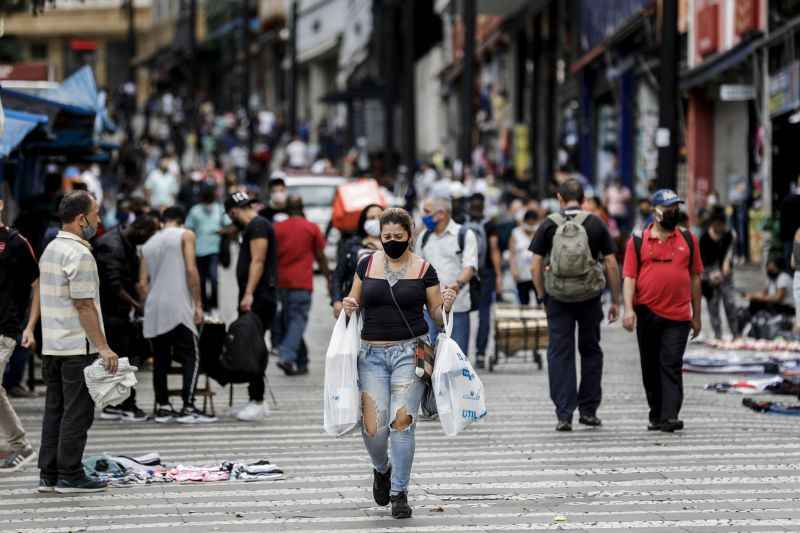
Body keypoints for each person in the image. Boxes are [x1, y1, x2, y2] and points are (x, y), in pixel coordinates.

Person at [342, 208, 456, 520]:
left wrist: (445, 304)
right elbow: (353, 301)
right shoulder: (366, 265)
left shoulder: (424, 269)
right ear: (380, 236)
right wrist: (348, 305)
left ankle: (399, 492)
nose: (391, 241)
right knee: (373, 428)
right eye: (386, 236)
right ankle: (382, 469)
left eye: (398, 236)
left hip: (412, 352)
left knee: (402, 423)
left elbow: (435, 313)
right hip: (371, 355)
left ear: (409, 236)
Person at [38, 191, 118, 493]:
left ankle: (49, 473)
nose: (99, 219)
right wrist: (104, 347)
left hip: (52, 347)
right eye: (95, 213)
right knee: (77, 412)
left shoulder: (51, 249)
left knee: (54, 410)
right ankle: (70, 474)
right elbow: (84, 305)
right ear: (81, 218)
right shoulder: (80, 254)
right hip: (76, 348)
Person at [531, 179, 621, 432]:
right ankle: (589, 410)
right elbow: (612, 264)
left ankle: (564, 413)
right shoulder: (596, 223)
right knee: (591, 350)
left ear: (560, 197)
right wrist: (616, 299)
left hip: (558, 298)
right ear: (583, 199)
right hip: (590, 296)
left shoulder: (548, 224)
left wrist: (541, 296)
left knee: (560, 352)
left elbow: (535, 264)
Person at [622, 189, 703, 433]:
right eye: (668, 209)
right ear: (655, 212)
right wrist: (628, 309)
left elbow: (696, 278)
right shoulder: (637, 240)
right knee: (650, 366)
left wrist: (696, 315)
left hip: (678, 316)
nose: (673, 213)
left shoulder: (688, 239)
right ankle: (656, 413)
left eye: (676, 208)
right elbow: (629, 277)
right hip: (647, 311)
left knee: (670, 363)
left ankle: (670, 415)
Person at [139, 207, 215, 424]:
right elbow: (191, 269)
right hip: (178, 304)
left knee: (161, 358)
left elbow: (142, 284)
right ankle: (188, 406)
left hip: (155, 307)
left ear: (163, 221)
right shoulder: (186, 234)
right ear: (181, 221)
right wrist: (198, 304)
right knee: (192, 354)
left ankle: (163, 406)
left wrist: (149, 304)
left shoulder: (149, 243)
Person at [93, 214, 160, 422]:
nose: (148, 242)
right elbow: (114, 286)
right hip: (111, 313)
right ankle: (126, 405)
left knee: (123, 359)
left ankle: (117, 405)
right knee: (123, 359)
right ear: (140, 231)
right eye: (148, 236)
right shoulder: (112, 246)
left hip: (119, 313)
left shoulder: (125, 241)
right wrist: (137, 305)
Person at [225, 192, 278, 422]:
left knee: (252, 349)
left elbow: (258, 260)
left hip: (258, 297)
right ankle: (254, 398)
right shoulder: (255, 226)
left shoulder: (257, 226)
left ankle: (257, 400)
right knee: (251, 347)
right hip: (257, 296)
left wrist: (248, 293)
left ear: (233, 212)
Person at [0, 191, 39, 471]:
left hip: (6, 328)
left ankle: (20, 445)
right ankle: (18, 445)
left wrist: (31, 326)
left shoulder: (16, 242)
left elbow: (37, 285)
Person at [272, 195, 330, 375]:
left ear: (286, 209)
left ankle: (302, 361)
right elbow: (320, 256)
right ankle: (288, 357)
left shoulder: (277, 229)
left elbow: (270, 257)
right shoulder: (311, 228)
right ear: (302, 207)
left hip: (281, 283)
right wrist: (328, 277)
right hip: (302, 283)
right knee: (296, 321)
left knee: (292, 321)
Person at [416, 195, 477, 355]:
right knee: (427, 359)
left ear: (441, 214)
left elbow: (469, 266)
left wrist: (457, 285)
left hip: (457, 307)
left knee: (457, 357)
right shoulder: (424, 236)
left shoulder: (464, 234)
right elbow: (417, 266)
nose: (423, 215)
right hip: (428, 308)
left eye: (427, 212)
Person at [466, 193, 502, 369]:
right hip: (486, 273)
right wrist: (498, 275)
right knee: (484, 313)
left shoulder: (462, 224)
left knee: (461, 312)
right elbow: (494, 249)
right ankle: (480, 354)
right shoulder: (489, 225)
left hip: (466, 272)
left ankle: (460, 352)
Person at [331, 204, 384, 318]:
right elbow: (338, 276)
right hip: (355, 306)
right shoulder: (351, 245)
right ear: (364, 221)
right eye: (371, 218)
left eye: (379, 217)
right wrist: (336, 301)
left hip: (384, 307)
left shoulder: (392, 245)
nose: (376, 221)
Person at [186, 184, 228, 312]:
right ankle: (204, 306)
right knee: (202, 280)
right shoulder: (195, 210)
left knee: (214, 279)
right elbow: (188, 227)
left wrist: (222, 231)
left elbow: (228, 225)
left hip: (214, 250)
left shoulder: (219, 209)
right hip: (199, 251)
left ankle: (214, 304)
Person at [699, 207, 738, 339]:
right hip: (709, 277)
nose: (720, 228)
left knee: (730, 304)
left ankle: (735, 334)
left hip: (726, 276)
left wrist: (725, 270)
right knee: (713, 306)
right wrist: (710, 276)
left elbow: (730, 256)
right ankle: (718, 335)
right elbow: (701, 262)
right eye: (717, 225)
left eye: (722, 225)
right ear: (713, 223)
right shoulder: (704, 238)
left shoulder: (729, 235)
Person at [509, 210, 539, 305]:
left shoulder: (539, 232)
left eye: (533, 224)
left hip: (536, 274)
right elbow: (512, 254)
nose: (530, 226)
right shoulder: (515, 233)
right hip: (521, 274)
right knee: (523, 302)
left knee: (539, 301)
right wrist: (513, 270)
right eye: (529, 223)